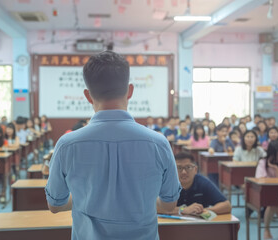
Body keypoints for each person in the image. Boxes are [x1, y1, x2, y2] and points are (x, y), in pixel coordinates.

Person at [45, 51, 181, 240]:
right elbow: (169, 204)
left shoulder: (67, 144)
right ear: (130, 91)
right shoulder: (159, 143)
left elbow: (55, 205)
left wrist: (86, 199)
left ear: (88, 96)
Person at [161, 152, 231, 216]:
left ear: (195, 170)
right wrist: (183, 210)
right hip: (173, 226)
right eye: (179, 168)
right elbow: (155, 207)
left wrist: (203, 210)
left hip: (199, 227)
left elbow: (227, 205)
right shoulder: (168, 183)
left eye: (188, 167)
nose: (184, 172)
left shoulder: (203, 183)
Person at [255, 140, 278, 239]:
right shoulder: (262, 162)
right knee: (274, 204)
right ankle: (267, 230)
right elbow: (260, 178)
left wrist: (276, 168)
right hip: (267, 194)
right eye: (275, 155)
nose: (277, 158)